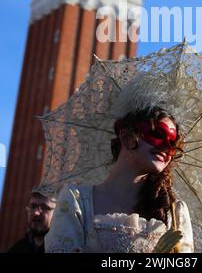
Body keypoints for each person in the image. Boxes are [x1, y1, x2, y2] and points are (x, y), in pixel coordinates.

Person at [45, 106, 194, 253]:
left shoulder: (174, 213)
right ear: (127, 138)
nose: (166, 147)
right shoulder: (76, 200)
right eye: (158, 134)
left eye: (172, 143)